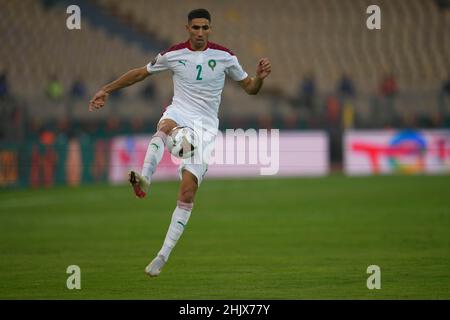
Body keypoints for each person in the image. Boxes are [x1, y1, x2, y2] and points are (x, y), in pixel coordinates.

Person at [89, 9, 271, 277]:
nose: (200, 32)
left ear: (210, 29)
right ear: (187, 28)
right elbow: (140, 73)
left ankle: (162, 255)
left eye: (204, 28)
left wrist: (259, 79)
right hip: (179, 112)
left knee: (187, 193)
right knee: (164, 127)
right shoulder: (173, 55)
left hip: (206, 128)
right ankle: (145, 178)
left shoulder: (225, 56)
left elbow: (250, 89)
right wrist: (106, 89)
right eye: (195, 27)